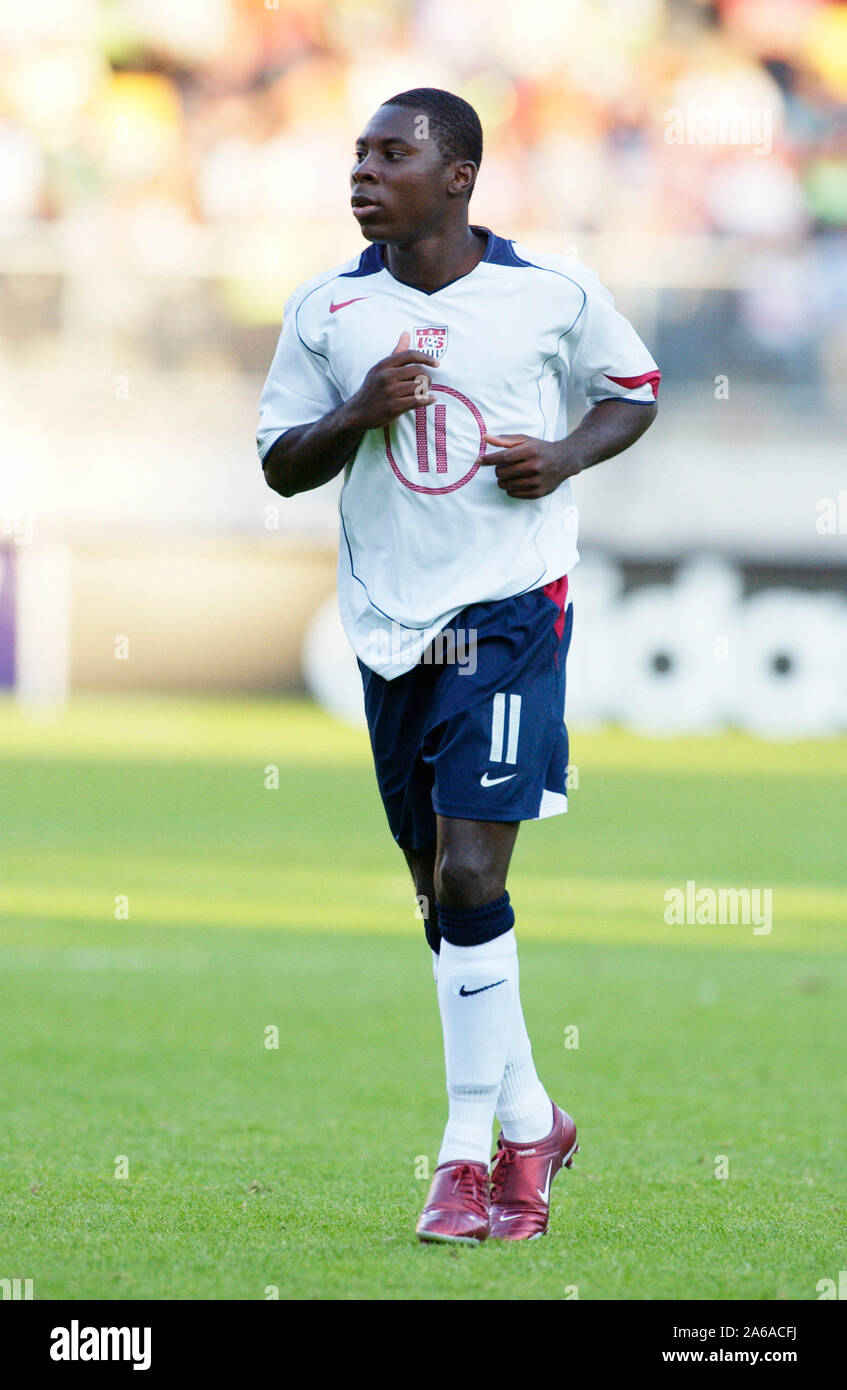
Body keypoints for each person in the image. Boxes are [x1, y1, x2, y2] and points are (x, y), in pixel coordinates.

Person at [258, 87, 659, 1243]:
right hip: (391, 624)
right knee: (444, 894)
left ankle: (463, 1158)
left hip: (510, 608)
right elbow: (282, 463)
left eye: (394, 154)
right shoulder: (329, 309)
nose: (364, 173)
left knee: (475, 873)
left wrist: (566, 456)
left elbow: (629, 393)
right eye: (358, 155)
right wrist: (356, 415)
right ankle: (535, 1120)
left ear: (460, 176)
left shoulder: (550, 292)